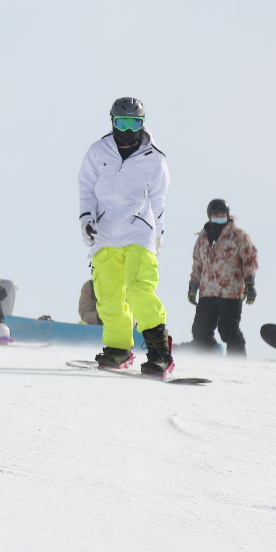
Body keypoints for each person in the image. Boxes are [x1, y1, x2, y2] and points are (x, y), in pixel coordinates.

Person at [78, 97, 173, 376]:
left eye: (135, 123)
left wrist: (159, 233)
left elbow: (159, 199)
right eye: (123, 123)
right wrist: (86, 219)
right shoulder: (98, 152)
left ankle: (159, 352)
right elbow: (86, 188)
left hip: (139, 232)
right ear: (113, 122)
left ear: (143, 124)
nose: (129, 130)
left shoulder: (154, 158)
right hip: (105, 235)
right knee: (109, 297)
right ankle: (118, 349)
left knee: (139, 289)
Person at [188, 199, 258, 356]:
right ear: (209, 216)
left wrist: (250, 284)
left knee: (228, 330)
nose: (219, 218)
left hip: (230, 292)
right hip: (207, 292)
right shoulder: (202, 239)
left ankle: (238, 362)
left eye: (222, 215)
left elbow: (250, 261)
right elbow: (197, 264)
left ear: (228, 215)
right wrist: (193, 286)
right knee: (200, 330)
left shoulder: (239, 236)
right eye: (215, 215)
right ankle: (210, 358)